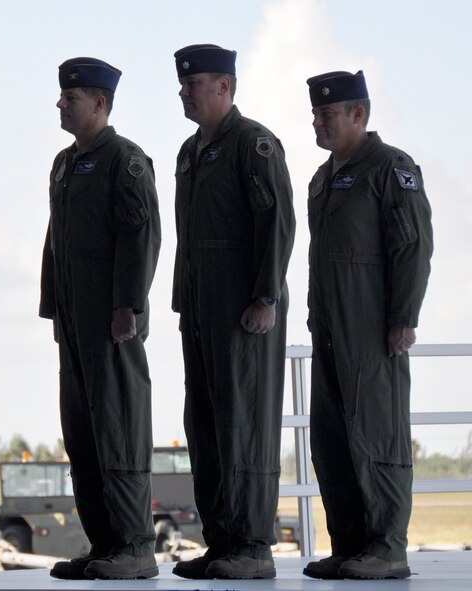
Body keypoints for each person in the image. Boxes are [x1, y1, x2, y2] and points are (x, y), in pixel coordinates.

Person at [170, 44, 295, 580]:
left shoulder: (254, 144)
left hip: (244, 310)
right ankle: (221, 541)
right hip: (199, 310)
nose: (183, 91)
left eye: (193, 83)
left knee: (244, 422)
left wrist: (265, 296)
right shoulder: (190, 151)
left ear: (224, 86)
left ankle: (252, 545)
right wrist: (182, 302)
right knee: (204, 424)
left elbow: (277, 222)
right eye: (183, 83)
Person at [302, 70, 433, 580]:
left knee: (377, 435)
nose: (317, 122)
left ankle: (387, 547)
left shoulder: (391, 168)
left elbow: (412, 247)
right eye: (315, 113)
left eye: (327, 114)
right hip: (330, 329)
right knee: (332, 440)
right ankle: (351, 545)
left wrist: (404, 318)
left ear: (358, 114)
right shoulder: (322, 177)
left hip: (374, 330)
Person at [39, 57, 162, 580]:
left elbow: (142, 236)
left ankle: (135, 547)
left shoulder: (125, 160)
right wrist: (52, 307)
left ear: (101, 103)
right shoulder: (64, 164)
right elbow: (55, 242)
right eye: (61, 96)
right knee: (82, 438)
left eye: (72, 98)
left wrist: (127, 306)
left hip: (112, 323)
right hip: (73, 324)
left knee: (119, 431)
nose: (61, 104)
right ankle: (105, 543)